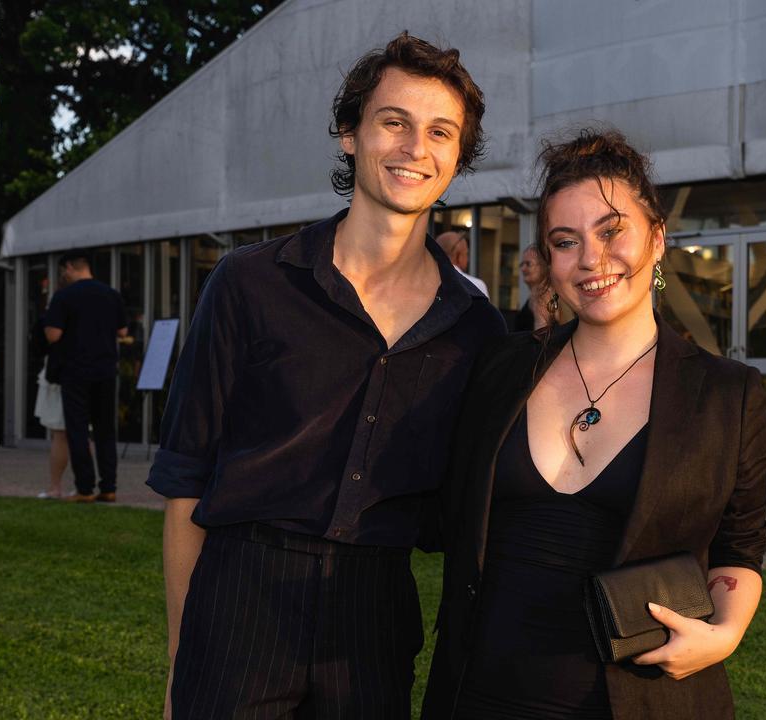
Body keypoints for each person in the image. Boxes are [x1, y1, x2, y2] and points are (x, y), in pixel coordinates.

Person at [147, 33, 503, 719]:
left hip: (374, 618)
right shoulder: (249, 283)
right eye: (393, 122)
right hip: (241, 598)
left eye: (439, 132)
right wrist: (180, 662)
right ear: (350, 134)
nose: (414, 148)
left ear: (457, 159)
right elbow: (186, 478)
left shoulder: (476, 329)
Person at [423, 129, 766, 720]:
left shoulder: (726, 394)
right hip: (478, 694)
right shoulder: (502, 367)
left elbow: (740, 546)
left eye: (612, 231)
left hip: (641, 699)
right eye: (566, 241)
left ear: (657, 239)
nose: (591, 259)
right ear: (546, 262)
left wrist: (726, 633)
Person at [44, 250, 127, 503]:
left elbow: (53, 335)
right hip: (105, 369)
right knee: (105, 430)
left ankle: (84, 487)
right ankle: (109, 487)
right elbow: (123, 331)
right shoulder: (111, 295)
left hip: (76, 371)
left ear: (69, 267)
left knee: (78, 429)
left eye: (63, 271)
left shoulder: (64, 297)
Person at [31, 315, 70, 499]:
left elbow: (49, 337)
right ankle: (87, 486)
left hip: (62, 375)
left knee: (60, 433)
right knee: (81, 433)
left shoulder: (61, 306)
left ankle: (56, 487)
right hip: (89, 373)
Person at [512, 243, 555, 331]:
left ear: (543, 266)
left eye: (528, 264)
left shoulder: (543, 295)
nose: (523, 269)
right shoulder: (537, 293)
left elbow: (541, 334)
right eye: (522, 264)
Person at [437, 229, 489, 297]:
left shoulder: (426, 283)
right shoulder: (476, 285)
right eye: (466, 254)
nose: (468, 259)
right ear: (458, 256)